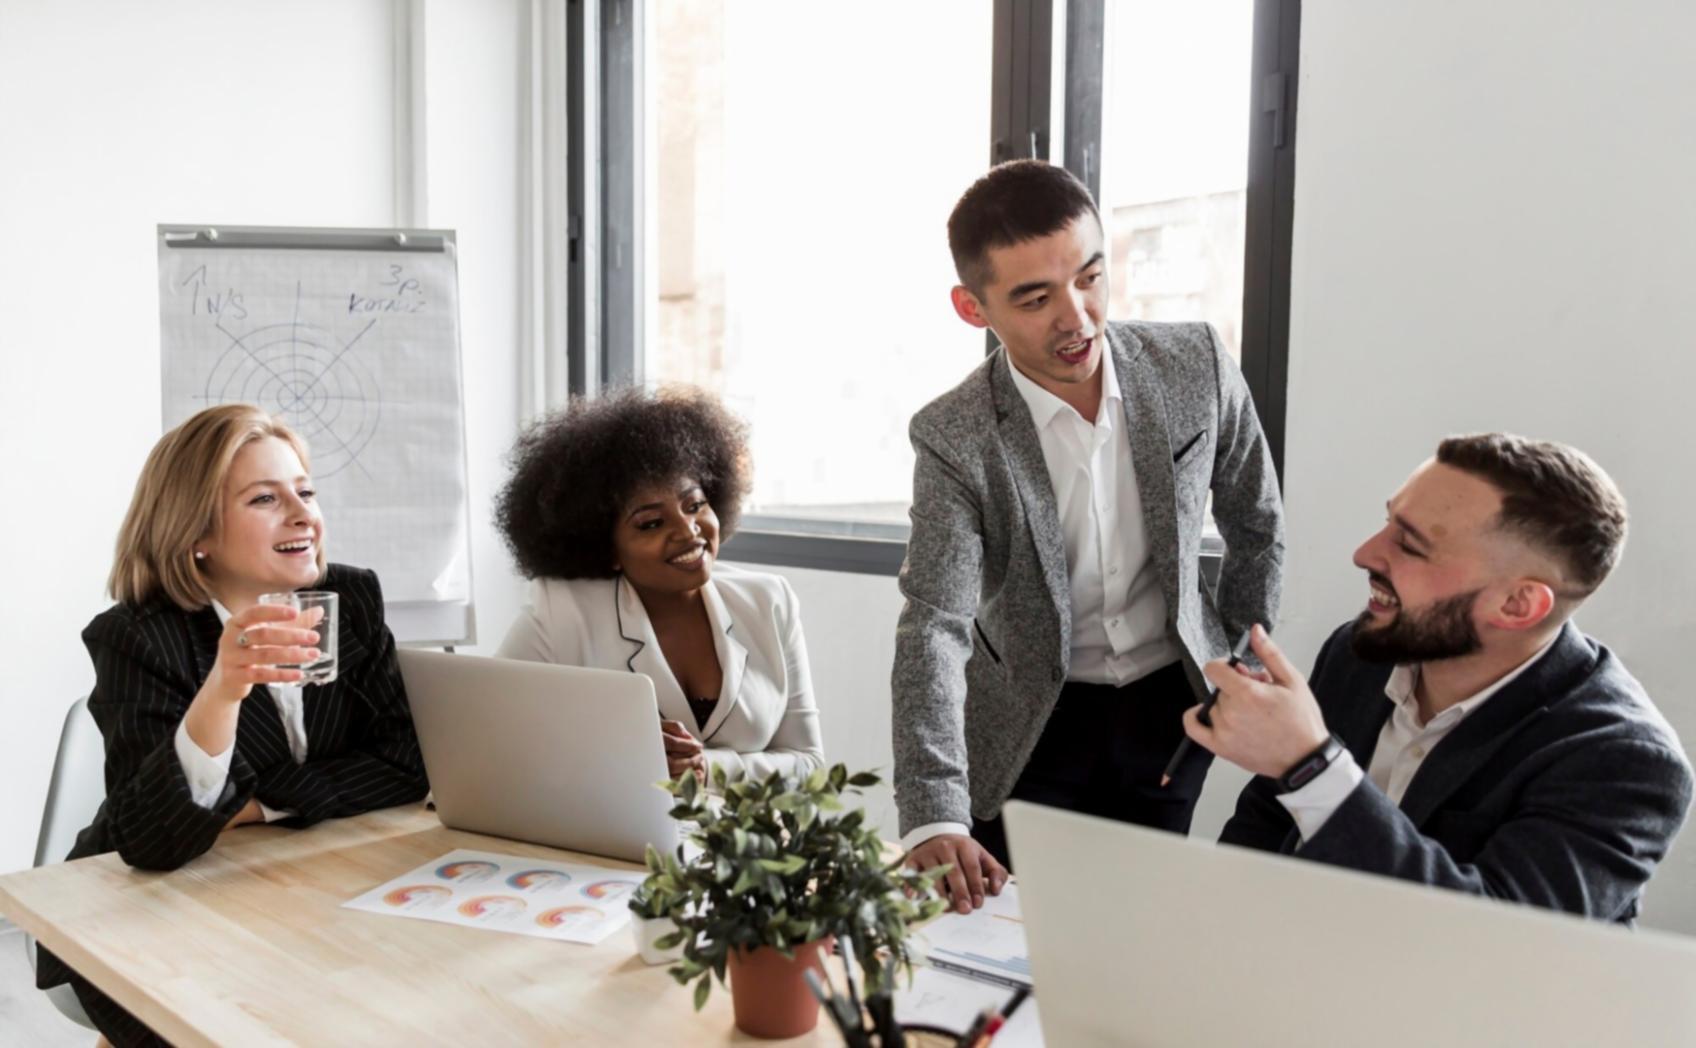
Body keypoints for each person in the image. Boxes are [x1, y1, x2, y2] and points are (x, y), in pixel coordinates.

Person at [892, 159, 1285, 911]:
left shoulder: (1195, 364)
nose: (1075, 317)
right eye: (1035, 298)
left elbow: (1256, 523)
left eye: (1090, 278)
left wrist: (1237, 663)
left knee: (1139, 933)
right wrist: (933, 811)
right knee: (1012, 942)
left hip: (1169, 717)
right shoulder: (953, 435)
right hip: (1027, 726)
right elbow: (934, 625)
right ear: (973, 309)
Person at [36, 405, 429, 1046]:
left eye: (305, 491)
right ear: (198, 534)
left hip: (302, 891)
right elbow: (153, 841)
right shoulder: (139, 637)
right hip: (143, 917)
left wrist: (260, 803)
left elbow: (409, 763)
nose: (303, 515)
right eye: (265, 499)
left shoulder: (351, 601)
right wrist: (223, 691)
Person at [1196, 434, 1693, 923]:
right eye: (1387, 522)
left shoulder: (1624, 762)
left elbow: (1497, 937)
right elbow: (1266, 822)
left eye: (1409, 545)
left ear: (1517, 604)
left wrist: (1310, 767)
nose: (1366, 553)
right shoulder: (1360, 653)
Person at [496, 386, 824, 784]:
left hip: (749, 843)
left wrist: (709, 769)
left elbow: (808, 765)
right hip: (612, 837)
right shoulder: (560, 615)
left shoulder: (769, 602)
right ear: (605, 547)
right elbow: (493, 745)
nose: (688, 532)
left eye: (695, 505)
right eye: (651, 523)